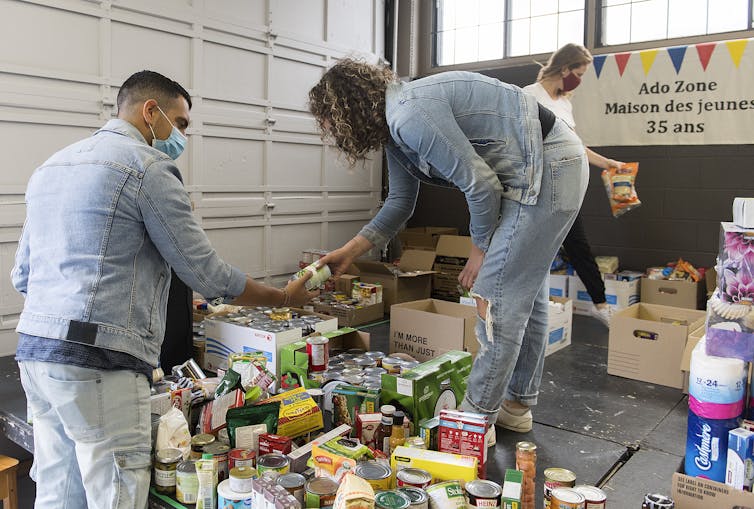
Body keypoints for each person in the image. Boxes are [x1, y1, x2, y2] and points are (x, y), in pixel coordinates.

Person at [11, 70, 317, 509]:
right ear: (150, 111)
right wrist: (284, 297)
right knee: (115, 489)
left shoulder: (51, 166)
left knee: (59, 490)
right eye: (181, 121)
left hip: (36, 356)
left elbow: (22, 276)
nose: (182, 135)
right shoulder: (149, 168)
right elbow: (207, 275)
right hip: (100, 362)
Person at [308, 59, 588, 439]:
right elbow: (400, 203)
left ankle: (472, 425)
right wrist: (350, 251)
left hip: (549, 168)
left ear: (346, 109)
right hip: (546, 167)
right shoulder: (395, 126)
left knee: (495, 298)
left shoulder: (410, 114)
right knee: (526, 292)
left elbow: (481, 185)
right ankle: (516, 406)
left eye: (328, 120)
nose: (329, 131)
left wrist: (480, 249)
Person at [523, 43, 625, 328]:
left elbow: (577, 145)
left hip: (567, 184)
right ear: (565, 68)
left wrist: (607, 163)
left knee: (578, 245)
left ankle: (600, 305)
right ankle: (527, 306)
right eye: (578, 73)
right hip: (539, 186)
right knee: (533, 247)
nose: (578, 81)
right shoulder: (529, 96)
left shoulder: (564, 102)